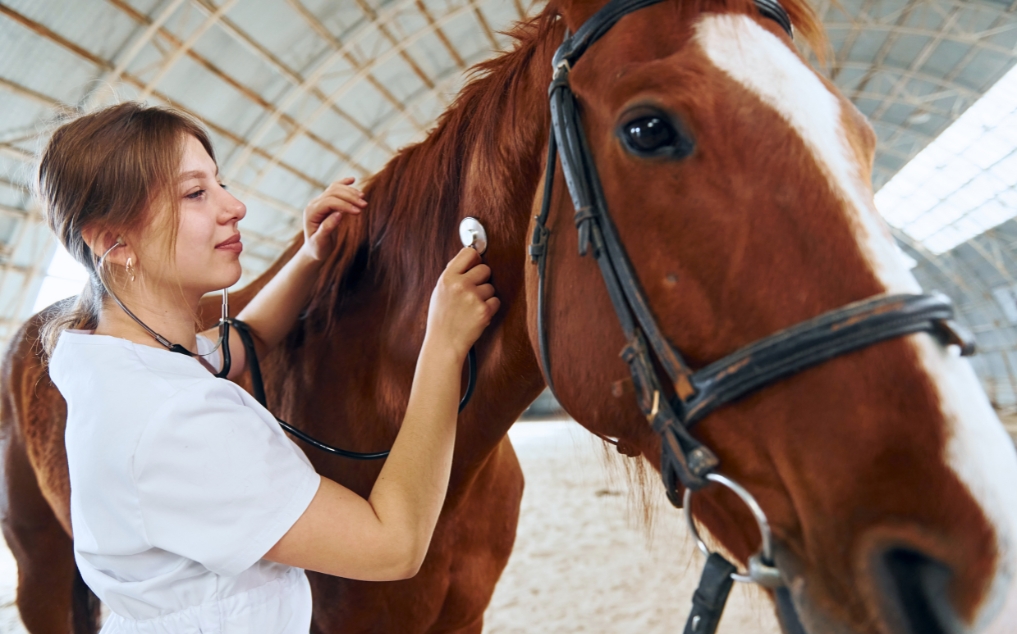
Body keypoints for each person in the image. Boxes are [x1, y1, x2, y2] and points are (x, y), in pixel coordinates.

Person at [38, 102, 499, 633]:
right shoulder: (175, 421)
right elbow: (392, 544)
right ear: (113, 243)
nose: (235, 207)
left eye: (220, 183)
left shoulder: (129, 364)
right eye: (196, 194)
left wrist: (310, 255)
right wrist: (442, 345)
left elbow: (247, 339)